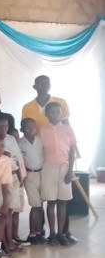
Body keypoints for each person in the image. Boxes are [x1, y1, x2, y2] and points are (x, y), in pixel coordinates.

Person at [40, 102, 77, 246]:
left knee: (62, 202)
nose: (55, 114)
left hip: (64, 168)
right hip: (48, 168)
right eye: (51, 112)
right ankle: (52, 234)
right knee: (51, 202)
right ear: (46, 114)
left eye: (58, 112)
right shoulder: (42, 129)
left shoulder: (67, 129)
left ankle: (61, 233)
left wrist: (70, 170)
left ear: (62, 114)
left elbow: (72, 151)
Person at [18, 118, 46, 245]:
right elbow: (19, 161)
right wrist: (21, 177)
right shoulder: (20, 143)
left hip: (42, 173)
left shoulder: (41, 140)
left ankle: (39, 232)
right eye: (28, 127)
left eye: (33, 127)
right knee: (35, 205)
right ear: (22, 129)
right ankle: (32, 234)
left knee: (40, 205)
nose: (31, 129)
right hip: (29, 175)